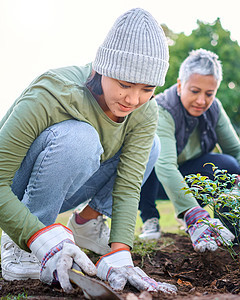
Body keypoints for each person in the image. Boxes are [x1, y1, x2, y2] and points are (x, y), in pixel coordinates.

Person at [0, 8, 179, 294]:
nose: (134, 99)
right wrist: (34, 234)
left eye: (147, 88)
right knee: (81, 137)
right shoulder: (54, 92)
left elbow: (128, 185)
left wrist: (120, 253)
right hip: (15, 189)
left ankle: (87, 224)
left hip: (68, 186)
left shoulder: (145, 110)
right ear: (101, 69)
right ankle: (20, 240)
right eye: (124, 85)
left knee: (152, 146)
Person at [138, 49, 240, 252]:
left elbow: (236, 151)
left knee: (229, 165)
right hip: (155, 179)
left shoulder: (214, 109)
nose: (202, 101)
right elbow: (166, 166)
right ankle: (150, 218)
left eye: (209, 94)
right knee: (152, 154)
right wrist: (193, 213)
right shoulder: (162, 109)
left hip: (187, 175)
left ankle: (229, 234)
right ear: (179, 85)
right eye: (195, 91)